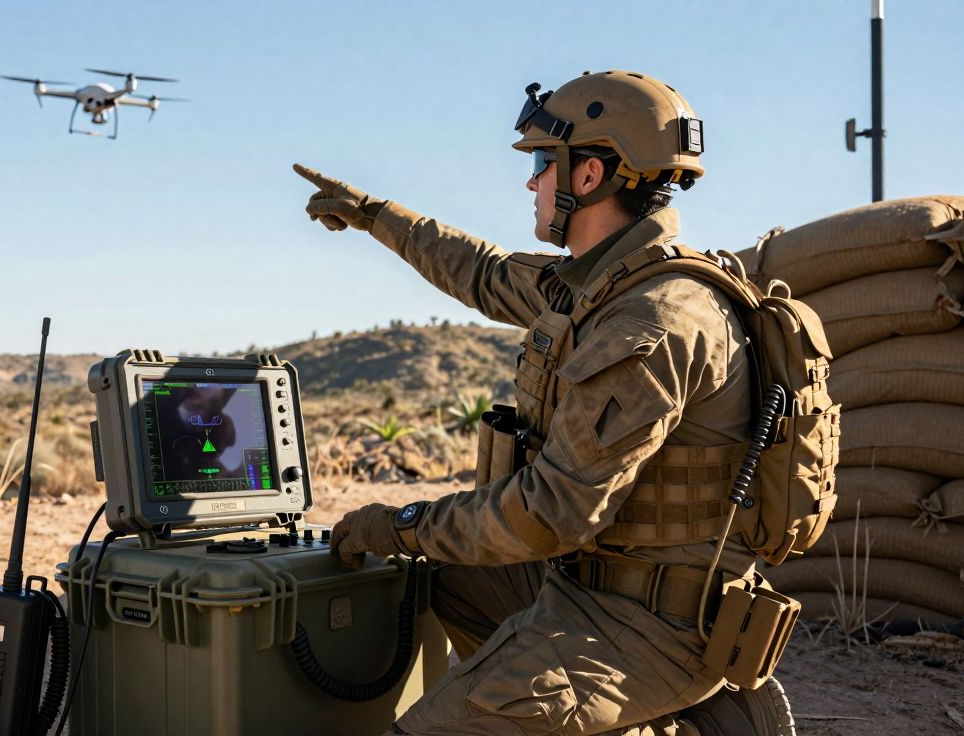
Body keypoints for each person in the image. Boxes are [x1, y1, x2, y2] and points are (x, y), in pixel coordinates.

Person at [295, 70, 794, 736]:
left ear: (589, 176)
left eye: (541, 165)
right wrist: (374, 215)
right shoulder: (599, 288)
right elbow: (480, 271)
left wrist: (398, 523)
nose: (532, 183)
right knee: (449, 573)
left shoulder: (649, 322)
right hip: (591, 584)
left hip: (650, 625)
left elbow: (549, 514)